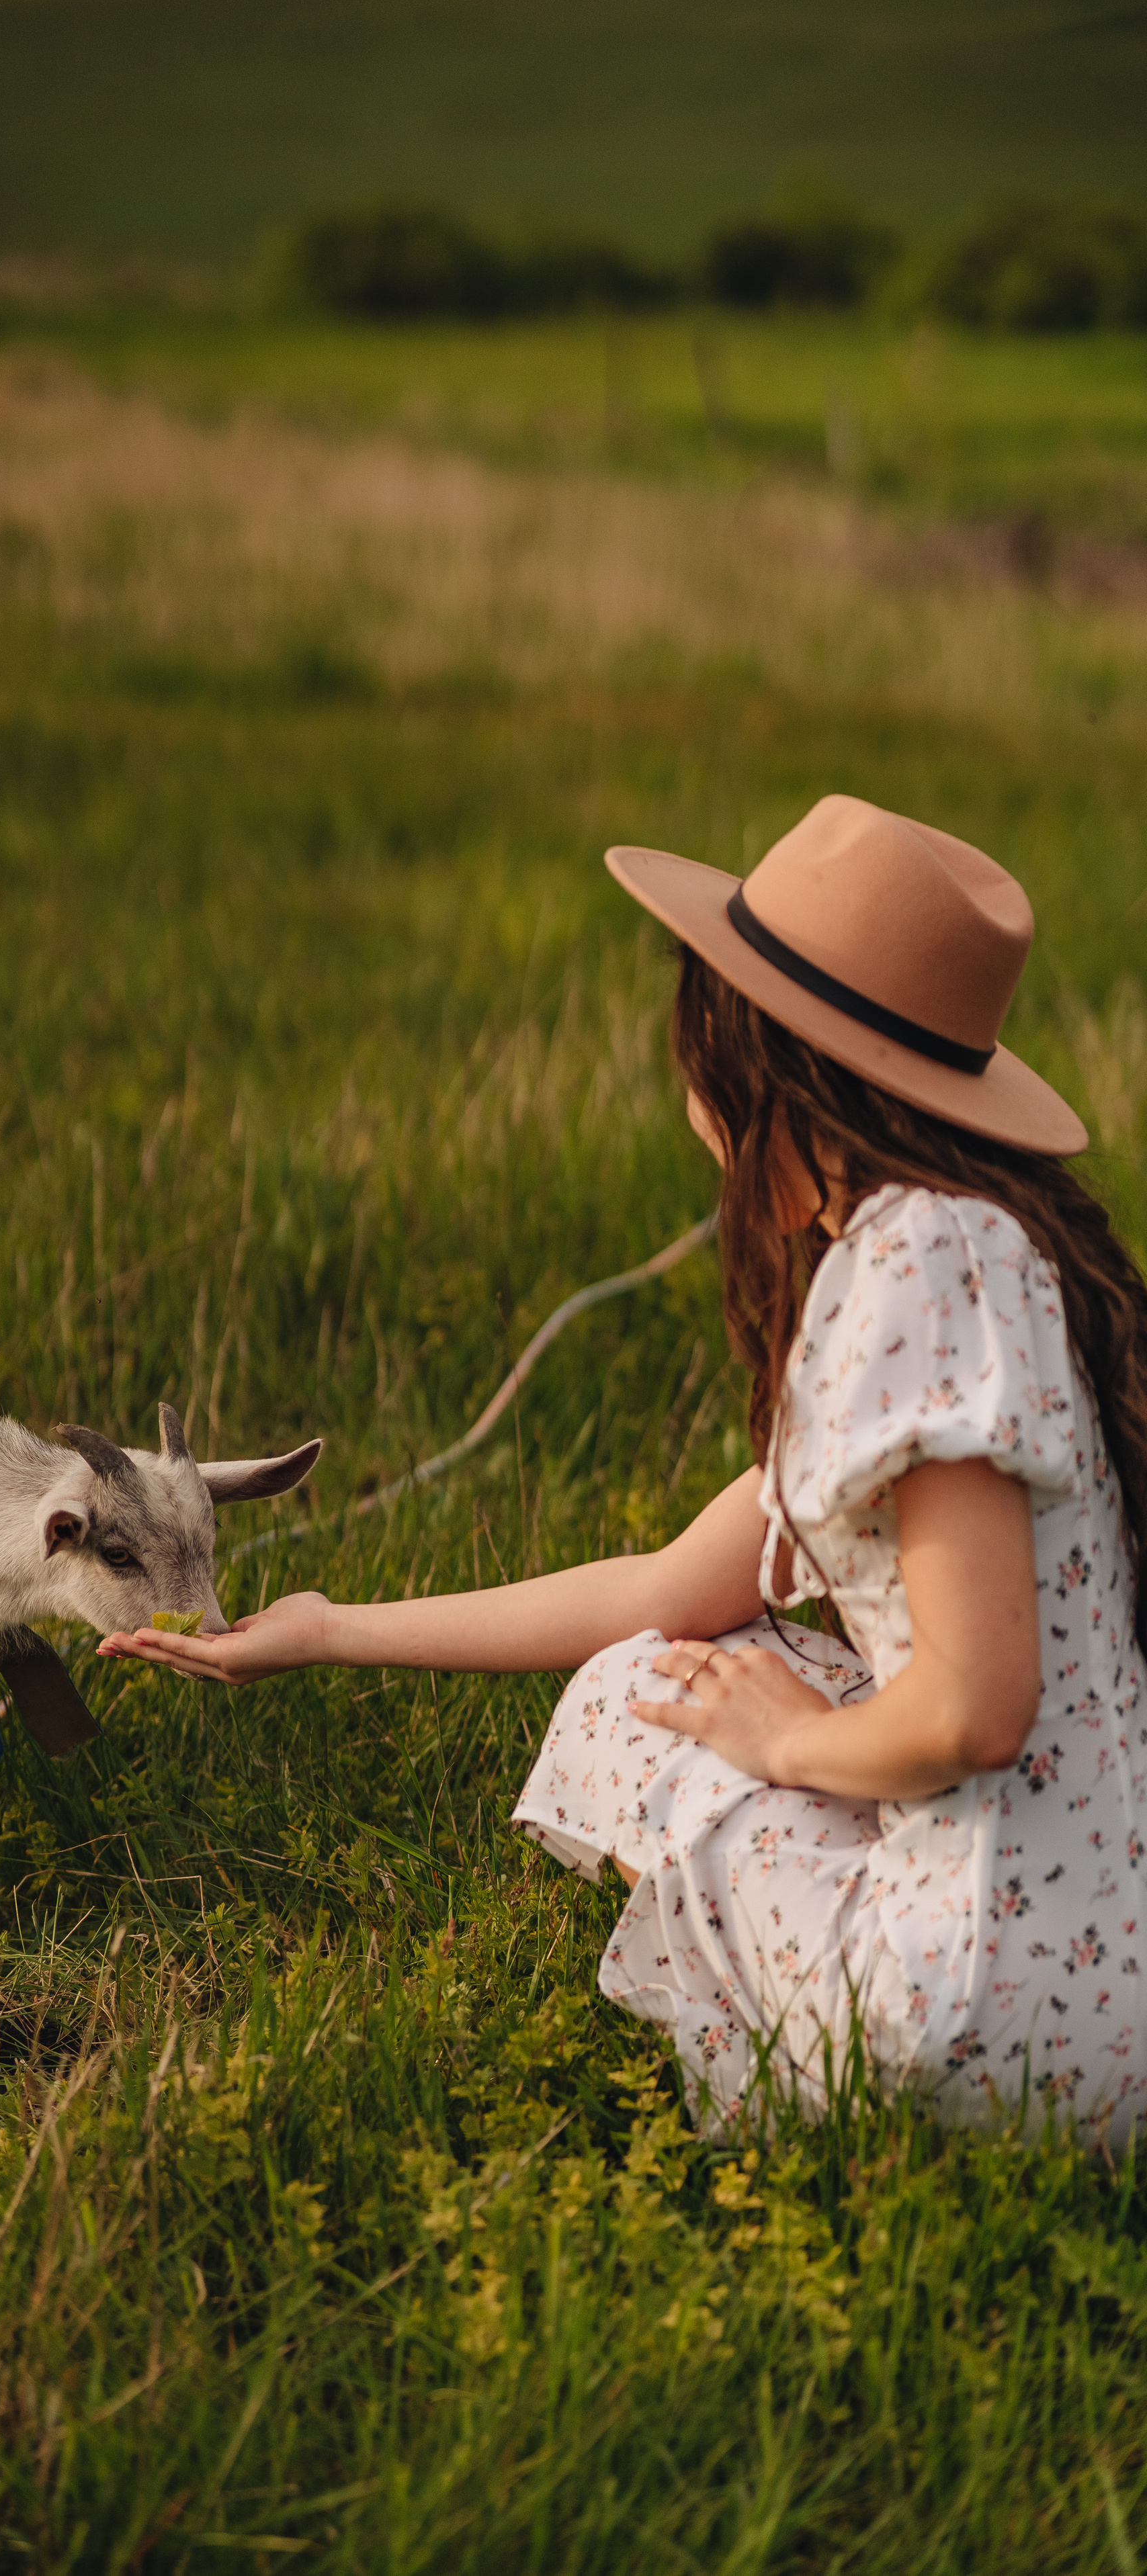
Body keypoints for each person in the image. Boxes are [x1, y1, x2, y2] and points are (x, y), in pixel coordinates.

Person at [100, 795, 1147, 2144]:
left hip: (982, 2019)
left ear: (759, 1061)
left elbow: (973, 1704)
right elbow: (666, 1582)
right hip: (1107, 1973)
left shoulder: (912, 1267)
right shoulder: (987, 1249)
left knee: (632, 1706)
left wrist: (789, 1741)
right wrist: (322, 1629)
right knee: (674, 1654)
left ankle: (853, 2093)